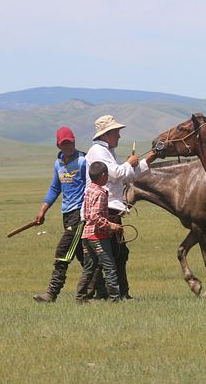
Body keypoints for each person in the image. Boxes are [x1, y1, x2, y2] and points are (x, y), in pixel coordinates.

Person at [86, 115, 157, 299]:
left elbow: (127, 177)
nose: (119, 136)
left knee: (116, 253)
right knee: (108, 256)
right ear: (106, 134)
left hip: (112, 208)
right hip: (105, 209)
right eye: (116, 132)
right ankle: (100, 294)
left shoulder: (108, 151)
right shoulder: (98, 151)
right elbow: (117, 173)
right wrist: (130, 163)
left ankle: (112, 294)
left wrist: (145, 161)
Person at [32, 127, 90, 303]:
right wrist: (43, 210)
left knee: (63, 251)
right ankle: (101, 290)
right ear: (58, 144)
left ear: (74, 141)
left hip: (79, 214)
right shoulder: (58, 164)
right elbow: (55, 188)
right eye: (64, 144)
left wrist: (85, 212)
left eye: (70, 143)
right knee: (82, 255)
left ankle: (51, 293)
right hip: (66, 214)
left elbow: (89, 187)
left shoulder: (83, 161)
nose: (68, 146)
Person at [76, 161, 123, 303]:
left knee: (88, 268)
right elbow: (95, 216)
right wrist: (111, 226)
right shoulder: (101, 193)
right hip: (98, 236)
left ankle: (80, 298)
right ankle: (115, 299)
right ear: (103, 175)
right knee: (109, 266)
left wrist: (111, 218)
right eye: (107, 174)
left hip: (86, 235)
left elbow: (87, 213)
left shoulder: (89, 190)